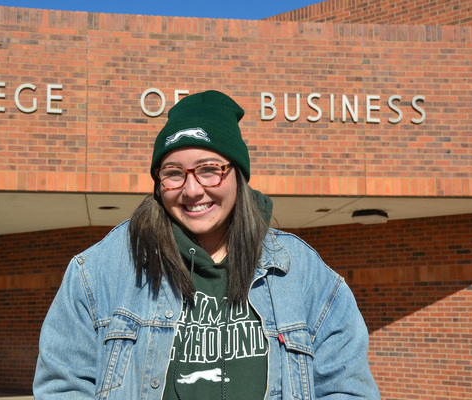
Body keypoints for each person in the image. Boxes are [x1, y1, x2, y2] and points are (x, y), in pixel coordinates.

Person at [33, 90, 380, 399]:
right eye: (173, 173)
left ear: (238, 175)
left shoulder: (302, 272)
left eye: (209, 169)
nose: (192, 190)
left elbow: (347, 388)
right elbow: (62, 386)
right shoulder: (100, 270)